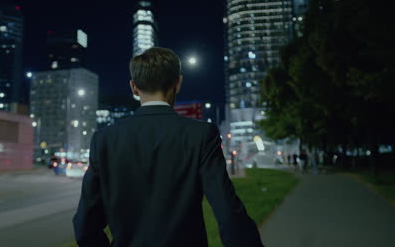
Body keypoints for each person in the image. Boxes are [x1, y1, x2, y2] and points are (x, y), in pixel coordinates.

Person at [73, 47, 263, 247]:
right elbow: (229, 214)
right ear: (178, 83)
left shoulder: (104, 140)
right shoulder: (200, 135)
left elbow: (85, 226)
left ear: (134, 87)